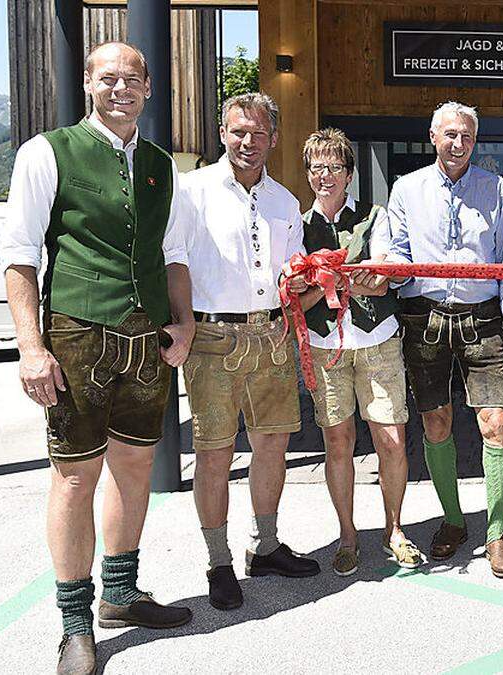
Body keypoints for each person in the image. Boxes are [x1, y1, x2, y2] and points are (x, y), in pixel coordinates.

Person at [1, 41, 194, 674]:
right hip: (77, 334)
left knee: (136, 468)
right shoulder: (46, 152)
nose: (120, 88)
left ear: (147, 88)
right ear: (88, 84)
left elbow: (172, 254)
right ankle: (75, 622)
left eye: (131, 79)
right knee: (75, 476)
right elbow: (21, 255)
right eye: (107, 78)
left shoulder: (163, 165)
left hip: (147, 340)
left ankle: (119, 592)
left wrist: (185, 321)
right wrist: (31, 348)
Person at [180, 92, 320, 613]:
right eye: (239, 130)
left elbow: (295, 278)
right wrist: (181, 325)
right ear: (223, 132)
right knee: (215, 454)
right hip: (212, 339)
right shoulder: (191, 191)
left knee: (271, 447)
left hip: (274, 336)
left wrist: (324, 280)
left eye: (259, 133)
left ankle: (265, 546)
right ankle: (218, 562)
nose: (248, 141)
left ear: (273, 139)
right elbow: (172, 261)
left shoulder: (286, 202)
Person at [384, 101, 503, 579]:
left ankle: (496, 532)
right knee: (436, 423)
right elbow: (398, 261)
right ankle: (452, 520)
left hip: (484, 320)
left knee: (495, 423)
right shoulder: (406, 190)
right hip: (425, 319)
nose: (458, 144)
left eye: (466, 136)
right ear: (432, 135)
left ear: (475, 139)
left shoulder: (497, 189)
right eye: (449, 134)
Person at [286, 128, 422, 575]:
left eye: (335, 167)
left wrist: (352, 277)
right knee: (337, 442)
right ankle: (348, 533)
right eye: (318, 167)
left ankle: (394, 529)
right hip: (327, 349)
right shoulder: (297, 226)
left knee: (392, 439)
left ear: (350, 173)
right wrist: (335, 279)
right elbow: (292, 297)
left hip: (377, 339)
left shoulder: (374, 215)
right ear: (309, 173)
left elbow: (384, 272)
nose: (326, 175)